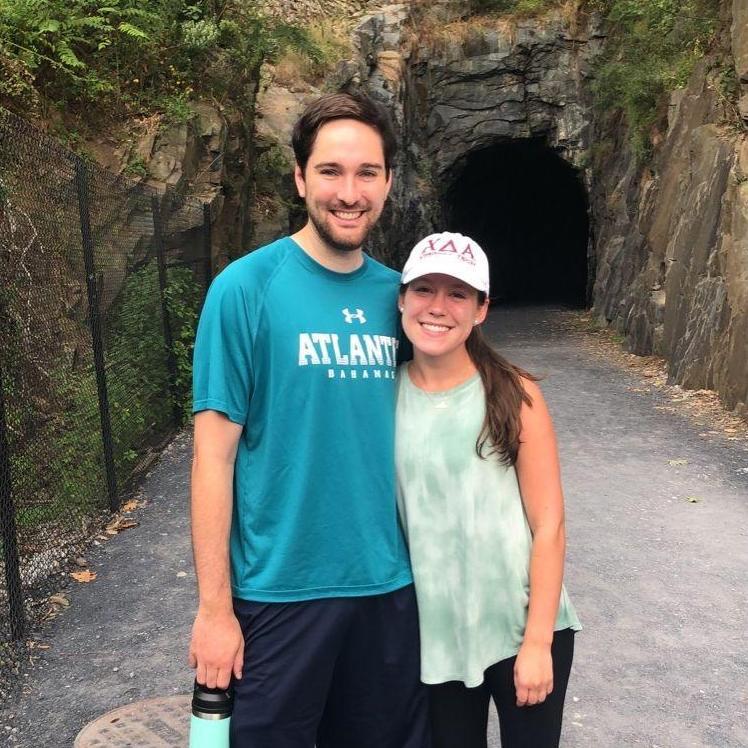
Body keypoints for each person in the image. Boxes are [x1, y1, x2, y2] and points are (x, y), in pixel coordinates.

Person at [188, 91, 429, 747]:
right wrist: (215, 611)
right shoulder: (245, 290)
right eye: (330, 172)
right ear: (300, 178)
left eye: (366, 173)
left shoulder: (402, 298)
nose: (348, 193)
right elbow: (214, 457)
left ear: (386, 182)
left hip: (388, 590)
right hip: (278, 595)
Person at [395, 231, 582, 748]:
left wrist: (538, 642)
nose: (438, 307)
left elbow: (550, 525)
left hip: (521, 628)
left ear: (481, 309)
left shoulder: (513, 392)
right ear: (402, 298)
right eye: (424, 289)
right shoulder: (382, 396)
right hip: (437, 640)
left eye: (458, 294)